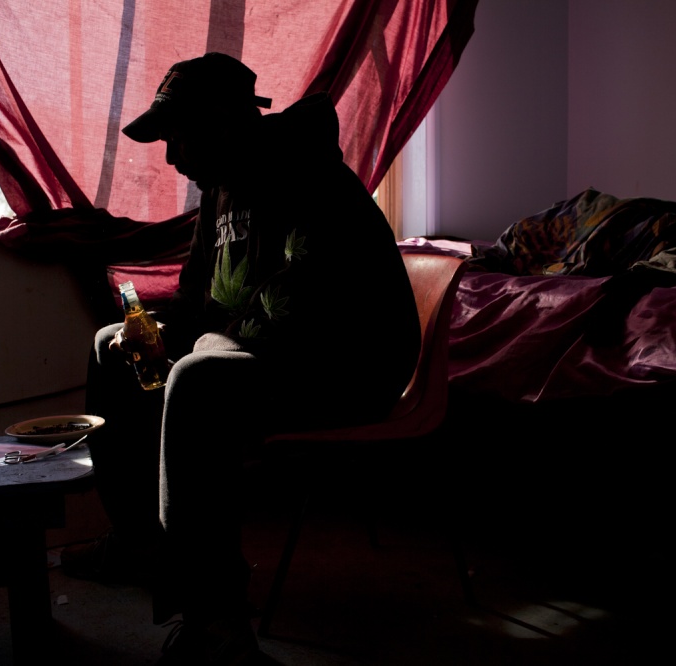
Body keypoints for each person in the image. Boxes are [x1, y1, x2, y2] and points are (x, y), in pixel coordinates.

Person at [76, 52, 421, 665]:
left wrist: (202, 345)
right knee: (114, 346)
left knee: (198, 381)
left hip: (349, 366)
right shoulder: (220, 192)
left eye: (178, 136)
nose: (172, 155)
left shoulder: (308, 177)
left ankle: (216, 623)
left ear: (221, 124)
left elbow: (302, 310)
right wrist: (155, 329)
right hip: (271, 354)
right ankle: (139, 541)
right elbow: (195, 300)